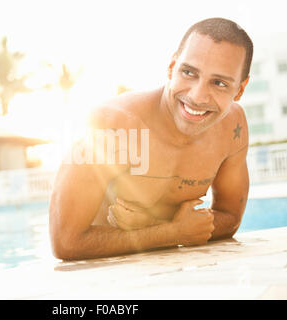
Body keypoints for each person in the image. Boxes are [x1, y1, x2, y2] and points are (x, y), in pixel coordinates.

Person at [49, 17, 252, 260]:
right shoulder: (111, 125)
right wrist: (173, 233)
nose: (197, 96)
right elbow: (65, 242)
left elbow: (230, 217)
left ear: (239, 90)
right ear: (171, 67)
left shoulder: (232, 126)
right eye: (188, 72)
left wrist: (155, 226)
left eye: (219, 83)